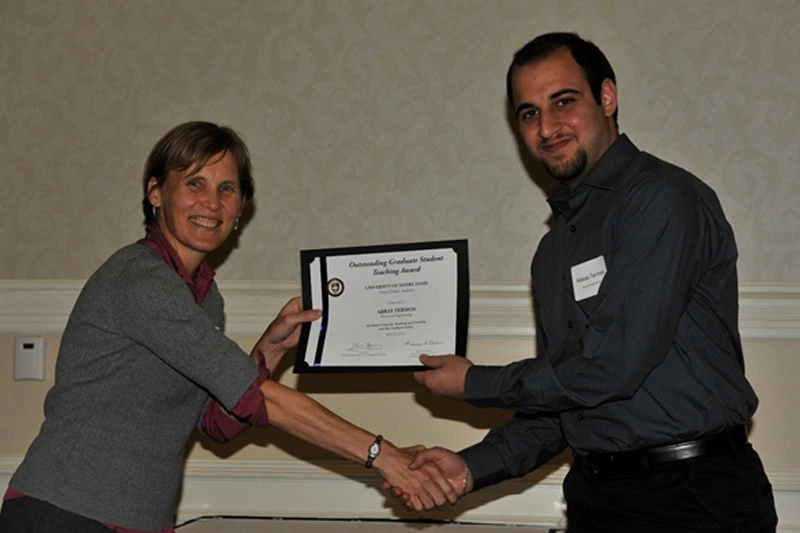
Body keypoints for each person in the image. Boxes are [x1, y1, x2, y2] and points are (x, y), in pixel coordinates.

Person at [397, 32, 779, 532]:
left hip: (694, 499)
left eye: (564, 102)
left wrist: (475, 382)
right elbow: (562, 399)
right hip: (596, 499)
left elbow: (612, 365)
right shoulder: (553, 251)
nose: (547, 127)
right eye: (529, 112)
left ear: (607, 97)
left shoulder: (663, 200)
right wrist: (471, 467)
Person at [0, 121, 457, 533]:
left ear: (241, 207)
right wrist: (383, 455)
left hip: (138, 518)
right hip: (62, 510)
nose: (211, 204)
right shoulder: (139, 278)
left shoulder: (205, 296)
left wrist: (269, 351)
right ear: (156, 192)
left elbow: (215, 423)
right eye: (194, 183)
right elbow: (253, 398)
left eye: (227, 189)